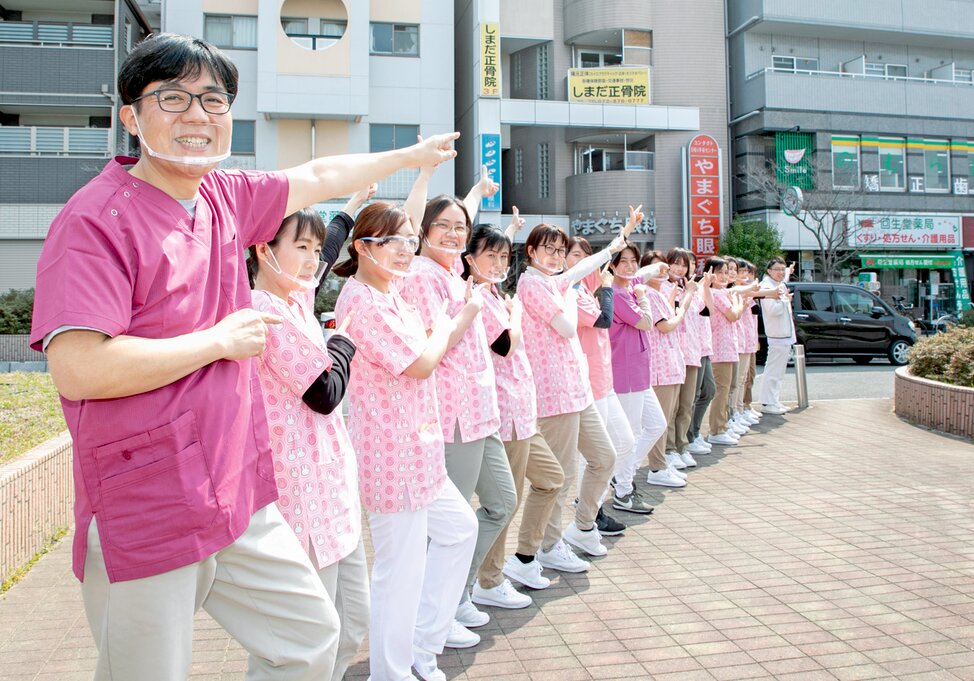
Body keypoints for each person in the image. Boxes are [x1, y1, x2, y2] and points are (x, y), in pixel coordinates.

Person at [29, 33, 459, 681]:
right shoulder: (95, 221)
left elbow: (316, 177)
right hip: (146, 499)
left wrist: (409, 155)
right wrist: (221, 341)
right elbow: (79, 366)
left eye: (213, 99)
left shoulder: (222, 199)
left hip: (238, 494)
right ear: (130, 116)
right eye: (172, 98)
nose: (197, 116)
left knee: (310, 637)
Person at [333, 202, 478, 681]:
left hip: (418, 449)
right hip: (391, 452)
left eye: (409, 241)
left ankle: (420, 643)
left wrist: (437, 333)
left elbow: (426, 348)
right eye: (393, 241)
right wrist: (444, 331)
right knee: (399, 570)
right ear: (363, 247)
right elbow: (421, 361)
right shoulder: (363, 302)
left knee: (459, 530)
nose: (404, 250)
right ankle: (391, 671)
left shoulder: (390, 292)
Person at [249, 196, 371, 680]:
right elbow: (323, 393)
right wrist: (342, 343)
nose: (314, 259)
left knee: (351, 622)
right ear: (263, 249)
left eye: (317, 248)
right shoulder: (263, 309)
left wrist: (351, 207)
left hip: (332, 497)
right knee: (293, 642)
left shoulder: (294, 296)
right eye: (301, 246)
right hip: (297, 503)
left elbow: (324, 256)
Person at [398, 170, 517, 647]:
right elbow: (434, 345)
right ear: (422, 231)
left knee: (501, 503)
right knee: (447, 526)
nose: (452, 233)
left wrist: (476, 193)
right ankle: (434, 615)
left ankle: (456, 594)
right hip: (451, 415)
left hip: (479, 413)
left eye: (459, 228)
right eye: (441, 226)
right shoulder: (422, 277)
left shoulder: (450, 273)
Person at [517, 211, 638, 572]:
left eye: (559, 250)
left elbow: (581, 269)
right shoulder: (532, 285)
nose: (555, 256)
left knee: (605, 457)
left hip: (577, 391)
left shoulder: (554, 281)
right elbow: (569, 328)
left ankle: (583, 526)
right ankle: (546, 546)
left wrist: (619, 239)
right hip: (554, 396)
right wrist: (570, 290)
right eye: (548, 250)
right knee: (562, 476)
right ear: (531, 251)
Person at [463, 224, 566, 606]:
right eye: (491, 255)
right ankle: (488, 581)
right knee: (504, 504)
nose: (499, 263)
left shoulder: (494, 295)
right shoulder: (477, 296)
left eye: (505, 256)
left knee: (552, 479)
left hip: (523, 412)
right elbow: (505, 344)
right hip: (504, 414)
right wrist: (516, 316)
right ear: (470, 258)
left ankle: (523, 558)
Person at [566, 236, 634, 533]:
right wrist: (606, 288)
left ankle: (591, 503)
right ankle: (590, 509)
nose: (581, 261)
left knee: (625, 443)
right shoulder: (571, 292)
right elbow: (604, 320)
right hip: (589, 383)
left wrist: (627, 230)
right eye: (574, 255)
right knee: (595, 455)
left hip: (605, 381)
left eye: (585, 256)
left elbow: (615, 265)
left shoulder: (589, 286)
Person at [607, 243, 672, 504]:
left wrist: (657, 267)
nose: (631, 266)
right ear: (611, 265)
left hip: (638, 372)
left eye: (634, 261)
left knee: (656, 424)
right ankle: (623, 489)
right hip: (625, 374)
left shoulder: (628, 285)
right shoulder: (618, 293)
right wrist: (642, 295)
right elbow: (645, 322)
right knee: (630, 434)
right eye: (623, 261)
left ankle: (622, 473)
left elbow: (642, 274)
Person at [643, 260, 698, 485]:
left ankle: (661, 463)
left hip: (671, 363)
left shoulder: (657, 294)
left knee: (665, 417)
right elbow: (665, 325)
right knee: (659, 420)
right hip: (661, 366)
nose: (664, 272)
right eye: (659, 268)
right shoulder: (647, 292)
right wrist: (684, 304)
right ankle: (656, 468)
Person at [705, 257, 747, 446]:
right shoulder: (717, 293)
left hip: (727, 347)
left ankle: (722, 426)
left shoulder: (722, 292)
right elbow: (733, 315)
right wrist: (739, 305)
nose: (723, 276)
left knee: (726, 389)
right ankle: (717, 429)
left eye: (725, 272)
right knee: (722, 390)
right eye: (718, 272)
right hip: (720, 349)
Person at [758, 257, 795, 414]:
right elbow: (772, 310)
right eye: (777, 269)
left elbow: (784, 275)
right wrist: (784, 299)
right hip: (777, 335)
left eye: (783, 269)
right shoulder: (767, 286)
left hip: (784, 334)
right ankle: (767, 403)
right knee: (773, 370)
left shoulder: (778, 283)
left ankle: (774, 400)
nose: (781, 272)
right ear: (769, 271)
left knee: (779, 371)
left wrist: (788, 271)